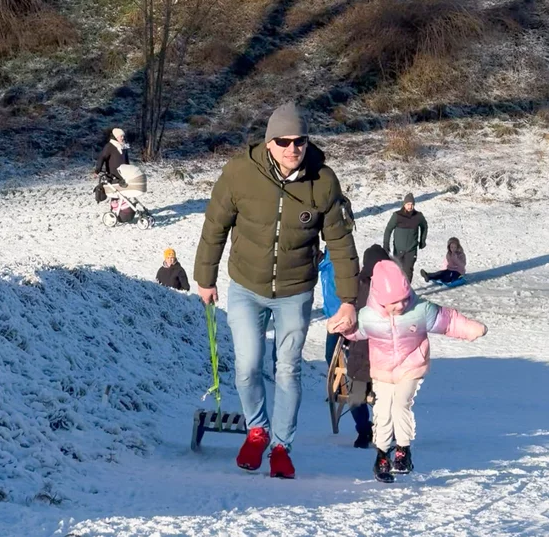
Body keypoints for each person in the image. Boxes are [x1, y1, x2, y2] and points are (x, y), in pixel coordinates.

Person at [194, 102, 359, 479]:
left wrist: (348, 301)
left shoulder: (323, 181)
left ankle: (282, 447)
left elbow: (340, 243)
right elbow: (215, 225)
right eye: (283, 141)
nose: (292, 148)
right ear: (269, 142)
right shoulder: (240, 173)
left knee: (287, 370)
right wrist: (205, 277)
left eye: (299, 141)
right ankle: (257, 431)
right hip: (246, 286)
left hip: (295, 291)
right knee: (247, 366)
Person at [327, 260, 487, 483]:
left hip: (411, 366)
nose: (401, 305)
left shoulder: (419, 309)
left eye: (404, 299)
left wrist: (471, 329)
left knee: (401, 403)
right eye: (394, 303)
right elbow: (354, 332)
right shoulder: (369, 316)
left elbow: (447, 321)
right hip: (383, 370)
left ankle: (403, 451)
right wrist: (343, 326)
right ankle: (382, 455)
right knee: (383, 410)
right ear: (380, 299)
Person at [322, 244, 391, 449]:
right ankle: (364, 429)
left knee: (377, 397)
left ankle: (381, 429)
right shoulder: (356, 288)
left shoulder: (392, 290)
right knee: (357, 397)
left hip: (380, 359)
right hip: (361, 356)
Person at [383, 193, 428, 283]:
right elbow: (388, 229)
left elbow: (424, 226)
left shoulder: (418, 216)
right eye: (408, 204)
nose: (410, 207)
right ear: (404, 204)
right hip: (398, 249)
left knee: (408, 272)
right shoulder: (397, 216)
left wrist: (422, 240)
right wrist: (386, 244)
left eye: (412, 204)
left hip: (411, 250)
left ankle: (407, 289)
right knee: (397, 271)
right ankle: (396, 289)